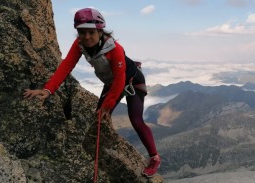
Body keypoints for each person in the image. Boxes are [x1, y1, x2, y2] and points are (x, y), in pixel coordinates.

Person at [23, 8, 161, 177]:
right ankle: (105, 154)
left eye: (91, 32)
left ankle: (154, 158)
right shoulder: (80, 44)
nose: (86, 37)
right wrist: (48, 89)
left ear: (100, 31)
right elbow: (67, 65)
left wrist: (107, 106)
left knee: (136, 120)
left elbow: (119, 81)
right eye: (82, 32)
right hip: (112, 83)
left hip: (132, 82)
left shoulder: (115, 49)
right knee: (99, 118)